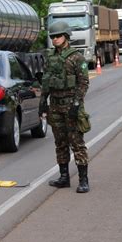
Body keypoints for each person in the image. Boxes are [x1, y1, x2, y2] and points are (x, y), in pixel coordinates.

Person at [39, 21, 91, 193]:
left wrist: (76, 104)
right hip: (55, 105)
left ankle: (83, 180)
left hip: (71, 105)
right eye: (53, 37)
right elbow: (46, 82)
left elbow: (83, 83)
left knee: (77, 143)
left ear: (66, 36)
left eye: (58, 36)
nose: (55, 39)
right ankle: (64, 177)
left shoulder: (77, 57)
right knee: (60, 143)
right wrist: (42, 103)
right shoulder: (50, 57)